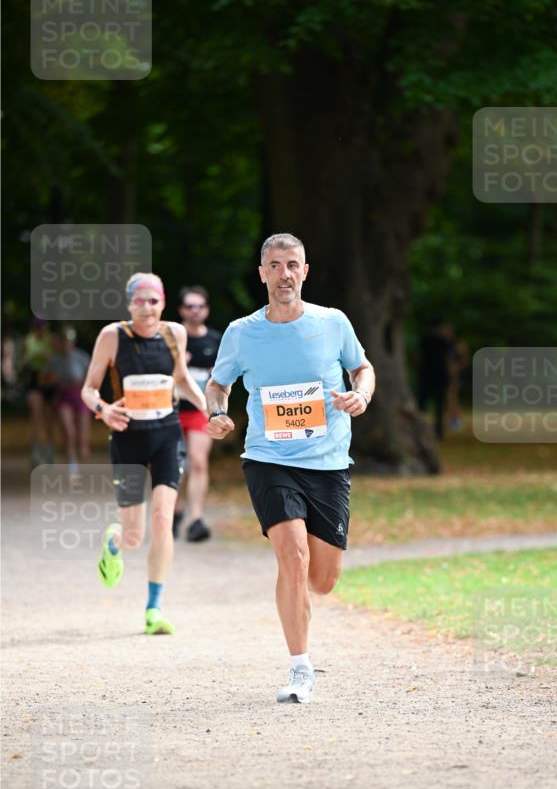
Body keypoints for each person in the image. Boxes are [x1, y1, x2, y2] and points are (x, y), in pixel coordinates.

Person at [206, 233, 375, 705]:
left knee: (322, 578)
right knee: (293, 557)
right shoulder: (242, 332)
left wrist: (360, 395)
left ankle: (299, 598)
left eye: (293, 265)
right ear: (262, 273)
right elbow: (218, 385)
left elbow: (363, 369)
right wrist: (217, 413)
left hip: (328, 464)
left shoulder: (333, 323)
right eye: (275, 265)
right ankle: (301, 669)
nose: (284, 274)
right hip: (268, 460)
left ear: (306, 270)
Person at [81, 272, 207, 635]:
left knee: (163, 518)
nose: (147, 308)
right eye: (140, 300)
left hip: (167, 436)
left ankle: (154, 607)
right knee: (134, 536)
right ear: (129, 303)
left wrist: (208, 410)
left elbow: (181, 379)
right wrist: (104, 409)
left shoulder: (174, 334)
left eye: (154, 301)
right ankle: (114, 541)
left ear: (163, 303)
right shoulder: (112, 336)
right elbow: (89, 389)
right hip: (127, 440)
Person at [173, 285, 222, 542]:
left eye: (199, 306)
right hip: (168, 411)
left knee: (198, 461)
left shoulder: (215, 340)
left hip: (200, 410)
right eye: (190, 306)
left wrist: (218, 409)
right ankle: (174, 510)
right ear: (181, 310)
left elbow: (223, 380)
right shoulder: (170, 337)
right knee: (172, 465)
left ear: (207, 310)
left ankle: (196, 519)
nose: (195, 311)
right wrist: (178, 363)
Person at [45, 326, 91, 481]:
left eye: (69, 341)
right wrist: (54, 380)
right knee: (68, 431)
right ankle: (72, 464)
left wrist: (83, 384)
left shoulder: (82, 357)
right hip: (64, 396)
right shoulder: (54, 360)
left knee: (81, 437)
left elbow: (92, 377)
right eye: (64, 341)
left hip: (80, 396)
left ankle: (81, 448)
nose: (67, 344)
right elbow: (45, 380)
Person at [23, 318, 57, 465]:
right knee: (36, 417)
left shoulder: (52, 340)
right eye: (37, 327)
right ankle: (35, 452)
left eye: (42, 327)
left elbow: (58, 359)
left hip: (49, 381)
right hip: (34, 380)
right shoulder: (28, 340)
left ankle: (49, 452)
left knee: (49, 418)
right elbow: (24, 362)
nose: (40, 330)